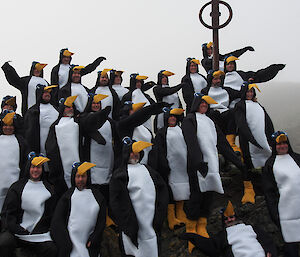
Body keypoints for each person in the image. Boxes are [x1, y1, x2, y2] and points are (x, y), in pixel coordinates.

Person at [109, 138, 168, 257]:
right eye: (131, 152)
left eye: (137, 152)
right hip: (131, 225)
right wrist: (126, 222)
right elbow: (116, 202)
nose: (134, 154)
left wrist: (160, 214)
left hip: (151, 223)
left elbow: (162, 191)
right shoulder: (120, 175)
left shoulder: (149, 170)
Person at [0, 153, 57, 257]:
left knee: (51, 249)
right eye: (33, 167)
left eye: (38, 167)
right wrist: (16, 228)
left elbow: (51, 216)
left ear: (42, 169)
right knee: (4, 242)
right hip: (17, 232)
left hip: (40, 235)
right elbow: (8, 213)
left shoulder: (49, 189)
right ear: (28, 167)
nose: (35, 170)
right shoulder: (17, 187)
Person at [181, 201, 277, 257]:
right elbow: (211, 246)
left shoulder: (250, 227)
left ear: (236, 217)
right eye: (226, 219)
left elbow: (267, 240)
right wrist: (191, 236)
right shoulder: (223, 235)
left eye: (231, 217)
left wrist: (270, 251)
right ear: (223, 222)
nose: (229, 220)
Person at [51, 161, 106, 257]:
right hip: (70, 242)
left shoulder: (98, 196)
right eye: (78, 176)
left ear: (87, 177)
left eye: (83, 176)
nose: (80, 179)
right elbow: (57, 221)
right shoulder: (67, 196)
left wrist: (95, 238)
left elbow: (101, 221)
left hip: (89, 243)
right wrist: (65, 243)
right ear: (73, 177)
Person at [263, 131, 300, 257]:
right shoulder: (269, 165)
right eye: (279, 144)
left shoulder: (297, 158)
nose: (282, 146)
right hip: (285, 214)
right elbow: (269, 192)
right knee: (291, 246)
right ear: (274, 146)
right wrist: (274, 213)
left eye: (284, 143)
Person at [150, 107, 188, 230]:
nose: (172, 118)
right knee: (170, 190)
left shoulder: (182, 131)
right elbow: (158, 150)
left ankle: (181, 212)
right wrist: (164, 164)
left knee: (183, 188)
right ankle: (171, 217)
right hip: (169, 167)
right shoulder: (162, 132)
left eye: (174, 116)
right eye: (170, 116)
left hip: (182, 167)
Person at [45, 95, 81, 196]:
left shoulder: (78, 122)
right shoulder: (55, 126)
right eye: (68, 107)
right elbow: (50, 149)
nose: (70, 109)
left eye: (71, 107)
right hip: (61, 168)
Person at [235, 83, 274, 171]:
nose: (250, 94)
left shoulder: (258, 105)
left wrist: (271, 138)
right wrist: (252, 139)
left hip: (262, 139)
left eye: (251, 92)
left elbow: (268, 122)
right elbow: (241, 124)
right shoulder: (240, 105)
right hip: (248, 140)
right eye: (247, 92)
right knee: (250, 165)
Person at [201, 70, 241, 154]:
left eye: (219, 79)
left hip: (225, 112)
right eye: (215, 79)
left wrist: (247, 86)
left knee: (232, 114)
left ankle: (231, 142)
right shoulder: (205, 91)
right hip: (211, 113)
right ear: (211, 80)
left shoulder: (227, 90)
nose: (218, 81)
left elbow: (240, 93)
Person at [0, 112, 27, 212]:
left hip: (15, 180)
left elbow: (24, 161)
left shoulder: (21, 141)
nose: (8, 128)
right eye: (5, 125)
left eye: (11, 125)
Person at [24, 85, 59, 154]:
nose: (47, 94)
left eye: (49, 93)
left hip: (57, 143)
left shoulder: (57, 109)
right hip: (40, 145)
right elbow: (29, 132)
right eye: (45, 92)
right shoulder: (33, 111)